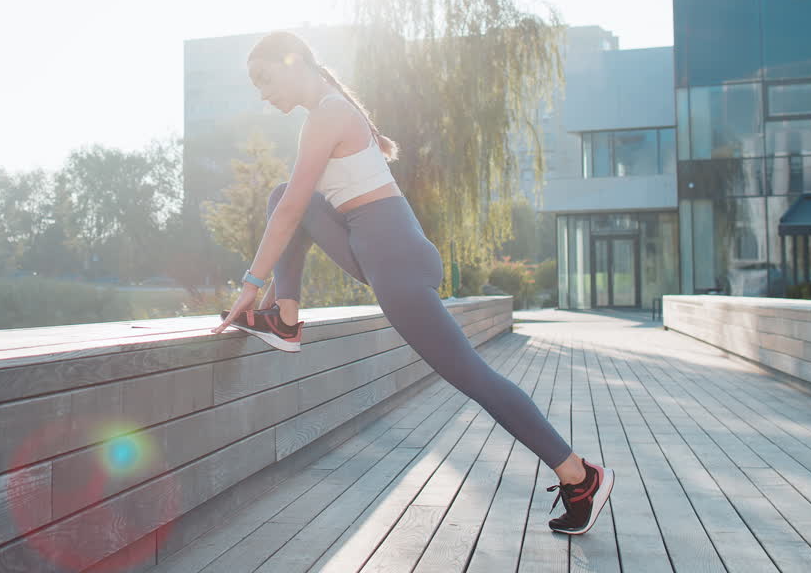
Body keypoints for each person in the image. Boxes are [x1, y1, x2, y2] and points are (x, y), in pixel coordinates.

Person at [208, 30, 614, 535]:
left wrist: (250, 283)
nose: (262, 94)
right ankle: (284, 319)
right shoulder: (332, 112)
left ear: (293, 64)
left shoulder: (328, 115)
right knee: (282, 193)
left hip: (393, 259)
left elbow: (293, 213)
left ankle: (578, 473)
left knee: (474, 378)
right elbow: (295, 205)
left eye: (264, 79)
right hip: (381, 249)